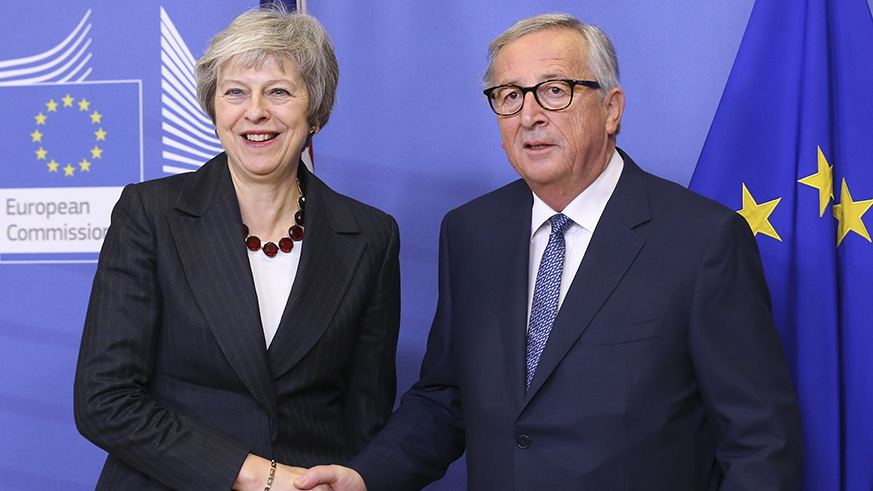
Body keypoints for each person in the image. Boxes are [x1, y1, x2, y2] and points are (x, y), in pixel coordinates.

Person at [295, 13, 802, 491]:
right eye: (509, 96)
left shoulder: (703, 239)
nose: (529, 116)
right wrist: (365, 477)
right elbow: (447, 399)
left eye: (555, 91)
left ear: (611, 108)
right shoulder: (471, 232)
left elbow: (760, 441)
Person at [73, 6, 400, 491]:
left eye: (279, 92)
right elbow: (105, 400)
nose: (255, 112)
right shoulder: (151, 213)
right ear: (214, 108)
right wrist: (257, 476)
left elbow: (365, 417)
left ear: (315, 109)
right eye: (235, 92)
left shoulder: (370, 235)